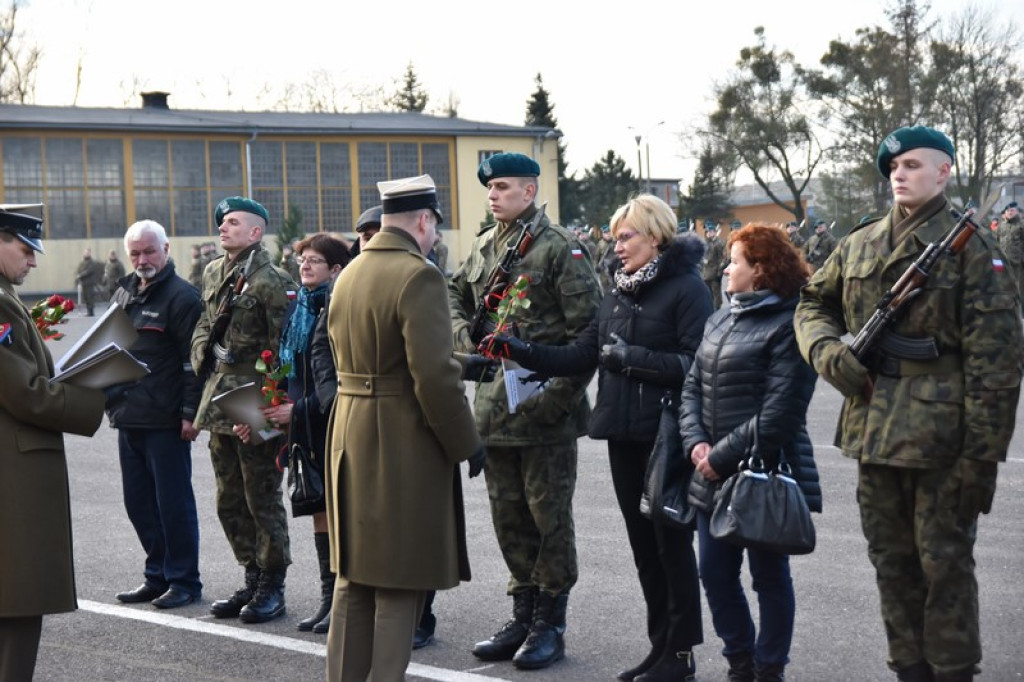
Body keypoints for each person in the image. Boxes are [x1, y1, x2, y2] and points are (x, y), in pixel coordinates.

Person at [793, 126, 1024, 682]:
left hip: (942, 441)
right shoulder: (861, 242)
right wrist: (827, 353)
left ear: (944, 172)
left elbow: (998, 364)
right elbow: (810, 303)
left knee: (944, 567)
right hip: (873, 431)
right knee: (890, 565)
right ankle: (909, 668)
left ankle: (952, 671)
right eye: (894, 166)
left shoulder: (975, 251)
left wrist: (982, 458)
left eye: (914, 165)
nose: (900, 173)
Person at [480, 194, 712, 682]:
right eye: (615, 236)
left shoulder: (688, 289)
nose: (617, 244)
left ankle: (682, 654)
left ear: (655, 236)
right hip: (623, 436)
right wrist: (520, 349)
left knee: (671, 548)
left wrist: (631, 358)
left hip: (666, 436)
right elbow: (581, 354)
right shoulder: (619, 291)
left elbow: (696, 365)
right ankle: (659, 648)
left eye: (626, 236)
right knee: (644, 549)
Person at [324, 174, 484, 682]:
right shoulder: (421, 276)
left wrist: (459, 359)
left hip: (349, 431)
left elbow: (377, 352)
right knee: (397, 580)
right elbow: (431, 379)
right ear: (423, 220)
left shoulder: (350, 271)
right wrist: (466, 443)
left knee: (355, 580)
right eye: (435, 226)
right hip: (397, 439)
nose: (435, 237)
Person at [449, 152, 602, 670]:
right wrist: (460, 337)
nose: (493, 194)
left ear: (530, 192)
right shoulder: (484, 246)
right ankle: (523, 612)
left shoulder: (559, 250)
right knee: (508, 518)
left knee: (548, 519)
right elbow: (453, 297)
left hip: (543, 411)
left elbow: (590, 336)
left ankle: (550, 622)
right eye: (490, 187)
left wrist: (554, 404)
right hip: (494, 409)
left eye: (504, 187)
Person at [682, 223, 820, 682]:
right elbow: (692, 386)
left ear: (759, 270)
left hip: (765, 471)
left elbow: (781, 411)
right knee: (715, 575)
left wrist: (719, 456)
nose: (725, 268)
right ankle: (739, 659)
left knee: (769, 578)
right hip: (711, 470)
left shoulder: (790, 322)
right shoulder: (722, 315)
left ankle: (768, 667)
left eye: (735, 261)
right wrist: (695, 442)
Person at [0, 205, 106, 681]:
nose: (34, 262)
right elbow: (22, 392)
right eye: (25, 250)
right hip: (12, 472)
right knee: (18, 603)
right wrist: (91, 396)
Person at [234, 232, 352, 635]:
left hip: (332, 422)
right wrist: (260, 417)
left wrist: (295, 411)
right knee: (317, 509)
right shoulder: (298, 308)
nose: (304, 265)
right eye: (302, 259)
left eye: (315, 261)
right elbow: (284, 375)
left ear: (336, 269)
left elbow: (340, 380)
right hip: (300, 425)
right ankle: (327, 600)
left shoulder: (340, 308)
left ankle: (344, 601)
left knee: (340, 514)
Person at [190, 196, 297, 625]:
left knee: (262, 497)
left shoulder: (274, 280)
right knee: (228, 498)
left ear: (255, 232)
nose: (223, 228)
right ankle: (251, 574)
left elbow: (285, 350)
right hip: (219, 398)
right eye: (221, 223)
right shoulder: (214, 270)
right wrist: (201, 351)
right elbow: (204, 319)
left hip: (255, 400)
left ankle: (273, 584)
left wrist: (271, 408)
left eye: (232, 222)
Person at [108, 220, 204, 610]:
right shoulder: (124, 291)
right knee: (139, 504)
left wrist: (189, 414)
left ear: (166, 249)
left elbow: (193, 362)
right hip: (128, 414)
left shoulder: (183, 297)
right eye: (135, 253)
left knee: (173, 504)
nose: (142, 260)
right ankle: (157, 575)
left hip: (166, 419)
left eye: (149, 251)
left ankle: (184, 581)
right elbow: (108, 348)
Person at [996, 201, 1024, 313]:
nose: (1009, 212)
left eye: (1012, 210)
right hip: (1003, 261)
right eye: (1007, 211)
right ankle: (1006, 309)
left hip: (1018, 262)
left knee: (1018, 287)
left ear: (1017, 212)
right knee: (1003, 286)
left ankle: (1019, 310)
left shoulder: (1021, 225)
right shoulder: (1001, 226)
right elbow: (997, 242)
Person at [75, 247, 104, 315]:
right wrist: (78, 275)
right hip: (84, 283)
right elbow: (79, 270)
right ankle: (88, 311)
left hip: (89, 283)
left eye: (87, 253)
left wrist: (80, 275)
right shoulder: (82, 262)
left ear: (90, 254)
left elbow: (89, 271)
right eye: (85, 253)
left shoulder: (91, 262)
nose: (86, 254)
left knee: (90, 297)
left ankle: (91, 312)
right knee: (86, 298)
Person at [702, 221, 725, 307]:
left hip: (714, 272)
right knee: (708, 294)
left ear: (715, 232)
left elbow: (722, 259)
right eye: (708, 232)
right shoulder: (704, 243)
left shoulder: (718, 243)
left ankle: (717, 310)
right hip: (705, 273)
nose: (710, 233)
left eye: (712, 231)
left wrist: (719, 272)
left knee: (716, 294)